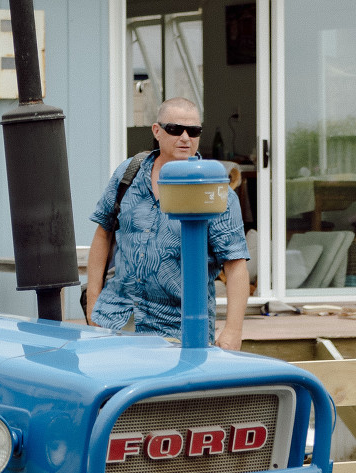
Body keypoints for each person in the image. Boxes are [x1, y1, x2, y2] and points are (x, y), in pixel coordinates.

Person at [82, 98, 249, 348]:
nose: (185, 137)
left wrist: (233, 330)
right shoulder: (128, 174)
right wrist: (93, 305)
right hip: (115, 320)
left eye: (193, 131)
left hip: (178, 331)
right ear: (157, 131)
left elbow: (235, 264)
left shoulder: (214, 192)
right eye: (175, 129)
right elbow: (103, 233)